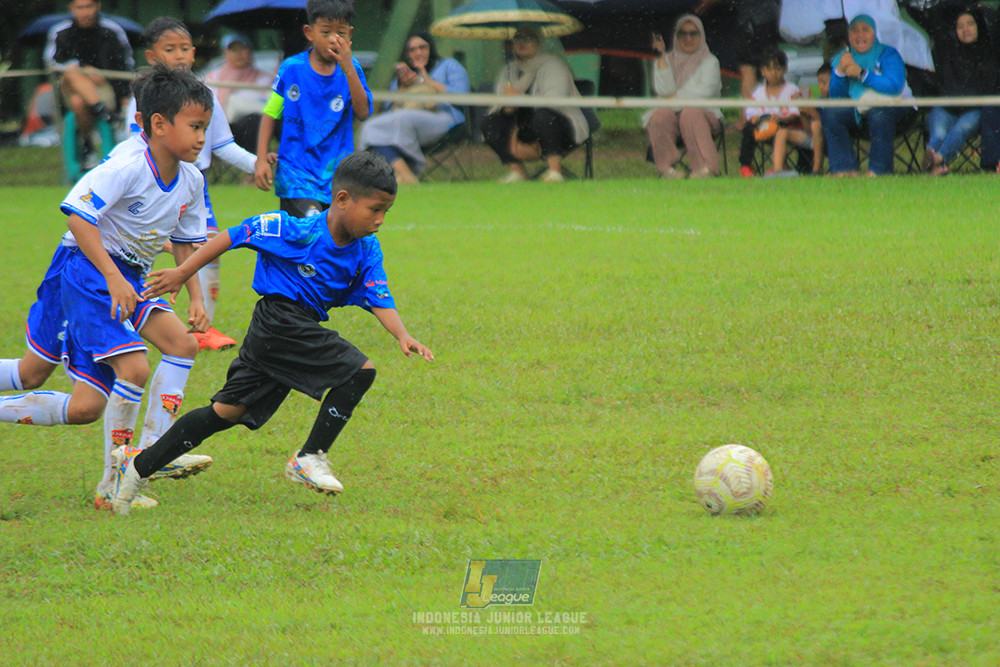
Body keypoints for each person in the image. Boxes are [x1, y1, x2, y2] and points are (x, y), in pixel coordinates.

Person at [112, 151, 435, 515]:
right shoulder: (298, 230)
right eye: (374, 210)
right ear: (342, 199)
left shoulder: (366, 249)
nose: (379, 221)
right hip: (279, 319)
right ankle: (309, 457)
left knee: (226, 412)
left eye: (385, 213)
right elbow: (234, 236)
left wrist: (402, 335)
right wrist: (183, 272)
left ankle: (137, 465)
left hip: (287, 329)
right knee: (360, 372)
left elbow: (378, 294)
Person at [0, 65, 216, 509]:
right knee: (130, 369)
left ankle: (154, 452)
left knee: (171, 351)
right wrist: (114, 278)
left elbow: (186, 241)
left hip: (129, 278)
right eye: (195, 127)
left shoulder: (191, 180)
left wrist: (195, 294)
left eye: (205, 128)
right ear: (158, 125)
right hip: (86, 272)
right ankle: (116, 481)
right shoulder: (129, 164)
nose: (201, 137)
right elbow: (79, 215)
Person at [125, 17, 266, 352]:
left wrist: (257, 164)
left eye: (185, 48)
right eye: (170, 48)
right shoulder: (146, 96)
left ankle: (201, 327)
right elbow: (137, 143)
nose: (180, 55)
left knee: (209, 251)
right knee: (143, 246)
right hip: (156, 184)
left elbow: (222, 145)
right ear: (151, 55)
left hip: (194, 186)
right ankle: (132, 312)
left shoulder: (205, 96)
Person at [254, 0, 373, 218]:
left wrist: (348, 70)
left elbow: (363, 112)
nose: (334, 39)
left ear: (350, 34)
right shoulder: (292, 69)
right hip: (296, 172)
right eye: (326, 32)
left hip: (338, 175)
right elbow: (271, 113)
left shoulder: (352, 69)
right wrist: (261, 159)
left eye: (341, 32)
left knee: (335, 240)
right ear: (309, 32)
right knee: (310, 230)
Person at [480, 24, 591, 183]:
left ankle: (555, 171)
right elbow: (501, 104)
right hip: (521, 128)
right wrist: (508, 105)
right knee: (490, 122)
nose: (522, 42)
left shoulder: (553, 65)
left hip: (560, 126)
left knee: (544, 117)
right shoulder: (508, 70)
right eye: (518, 38)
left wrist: (520, 98)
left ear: (539, 42)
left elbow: (554, 102)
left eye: (529, 38)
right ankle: (517, 172)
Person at [359, 32, 470, 185]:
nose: (418, 52)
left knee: (403, 119)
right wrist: (402, 87)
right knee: (370, 127)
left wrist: (425, 79)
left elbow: (462, 96)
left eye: (422, 47)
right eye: (412, 50)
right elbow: (390, 109)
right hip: (406, 121)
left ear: (431, 48)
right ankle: (406, 175)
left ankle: (409, 170)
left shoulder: (449, 65)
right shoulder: (405, 73)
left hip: (445, 117)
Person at [43, 0, 135, 165]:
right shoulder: (60, 32)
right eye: (80, 7)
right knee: (71, 73)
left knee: (79, 102)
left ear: (98, 6)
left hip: (106, 91)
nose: (85, 12)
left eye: (89, 6)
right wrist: (85, 70)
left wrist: (124, 96)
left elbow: (126, 65)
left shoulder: (112, 31)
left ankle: (88, 146)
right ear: (71, 8)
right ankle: (105, 116)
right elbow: (51, 63)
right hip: (70, 90)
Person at [821, 14, 914, 176]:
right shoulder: (843, 57)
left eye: (865, 30)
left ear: (874, 34)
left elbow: (893, 86)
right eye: (855, 31)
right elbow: (837, 98)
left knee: (880, 114)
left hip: (895, 110)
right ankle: (845, 170)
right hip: (859, 111)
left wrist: (862, 74)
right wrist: (840, 72)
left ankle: (878, 171)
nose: (860, 35)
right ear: (849, 35)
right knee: (831, 112)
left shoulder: (888, 54)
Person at [643, 14, 723, 179]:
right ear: (676, 36)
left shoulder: (710, 62)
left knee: (690, 113)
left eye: (693, 33)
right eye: (683, 34)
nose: (688, 38)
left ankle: (706, 169)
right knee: (659, 116)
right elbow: (663, 91)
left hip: (705, 117)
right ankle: (667, 169)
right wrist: (661, 57)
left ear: (701, 35)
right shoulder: (666, 60)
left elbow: (703, 93)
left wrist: (673, 97)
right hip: (674, 118)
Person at [923, 8, 997, 175]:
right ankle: (935, 164)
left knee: (961, 128)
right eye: (960, 26)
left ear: (979, 26)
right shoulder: (946, 52)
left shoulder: (989, 54)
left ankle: (937, 159)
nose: (965, 29)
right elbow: (933, 19)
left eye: (970, 24)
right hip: (947, 106)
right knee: (939, 132)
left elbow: (987, 88)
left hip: (974, 109)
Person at [737, 48, 816, 177]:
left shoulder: (792, 89)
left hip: (786, 126)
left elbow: (796, 111)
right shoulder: (759, 92)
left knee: (784, 132)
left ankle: (791, 168)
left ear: (784, 69)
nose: (773, 73)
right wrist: (755, 117)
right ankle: (746, 165)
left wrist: (781, 118)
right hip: (764, 127)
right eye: (769, 69)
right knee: (748, 130)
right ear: (762, 71)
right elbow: (751, 110)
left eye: (777, 68)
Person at [204, 33, 274, 153]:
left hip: (252, 131)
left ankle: (254, 164)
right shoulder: (212, 78)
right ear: (225, 53)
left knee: (253, 121)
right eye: (233, 49)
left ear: (250, 51)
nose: (239, 53)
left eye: (243, 48)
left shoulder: (265, 80)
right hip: (220, 130)